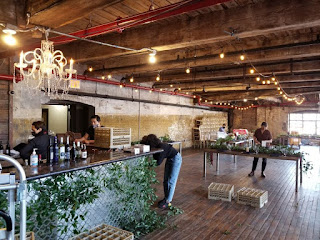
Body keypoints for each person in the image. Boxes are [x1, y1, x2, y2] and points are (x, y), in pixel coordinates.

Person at [141, 134, 182, 209]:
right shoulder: (158, 147)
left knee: (172, 181)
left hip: (176, 159)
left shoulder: (162, 147)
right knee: (166, 180)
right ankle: (166, 198)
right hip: (170, 159)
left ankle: (168, 201)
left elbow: (158, 162)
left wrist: (148, 164)